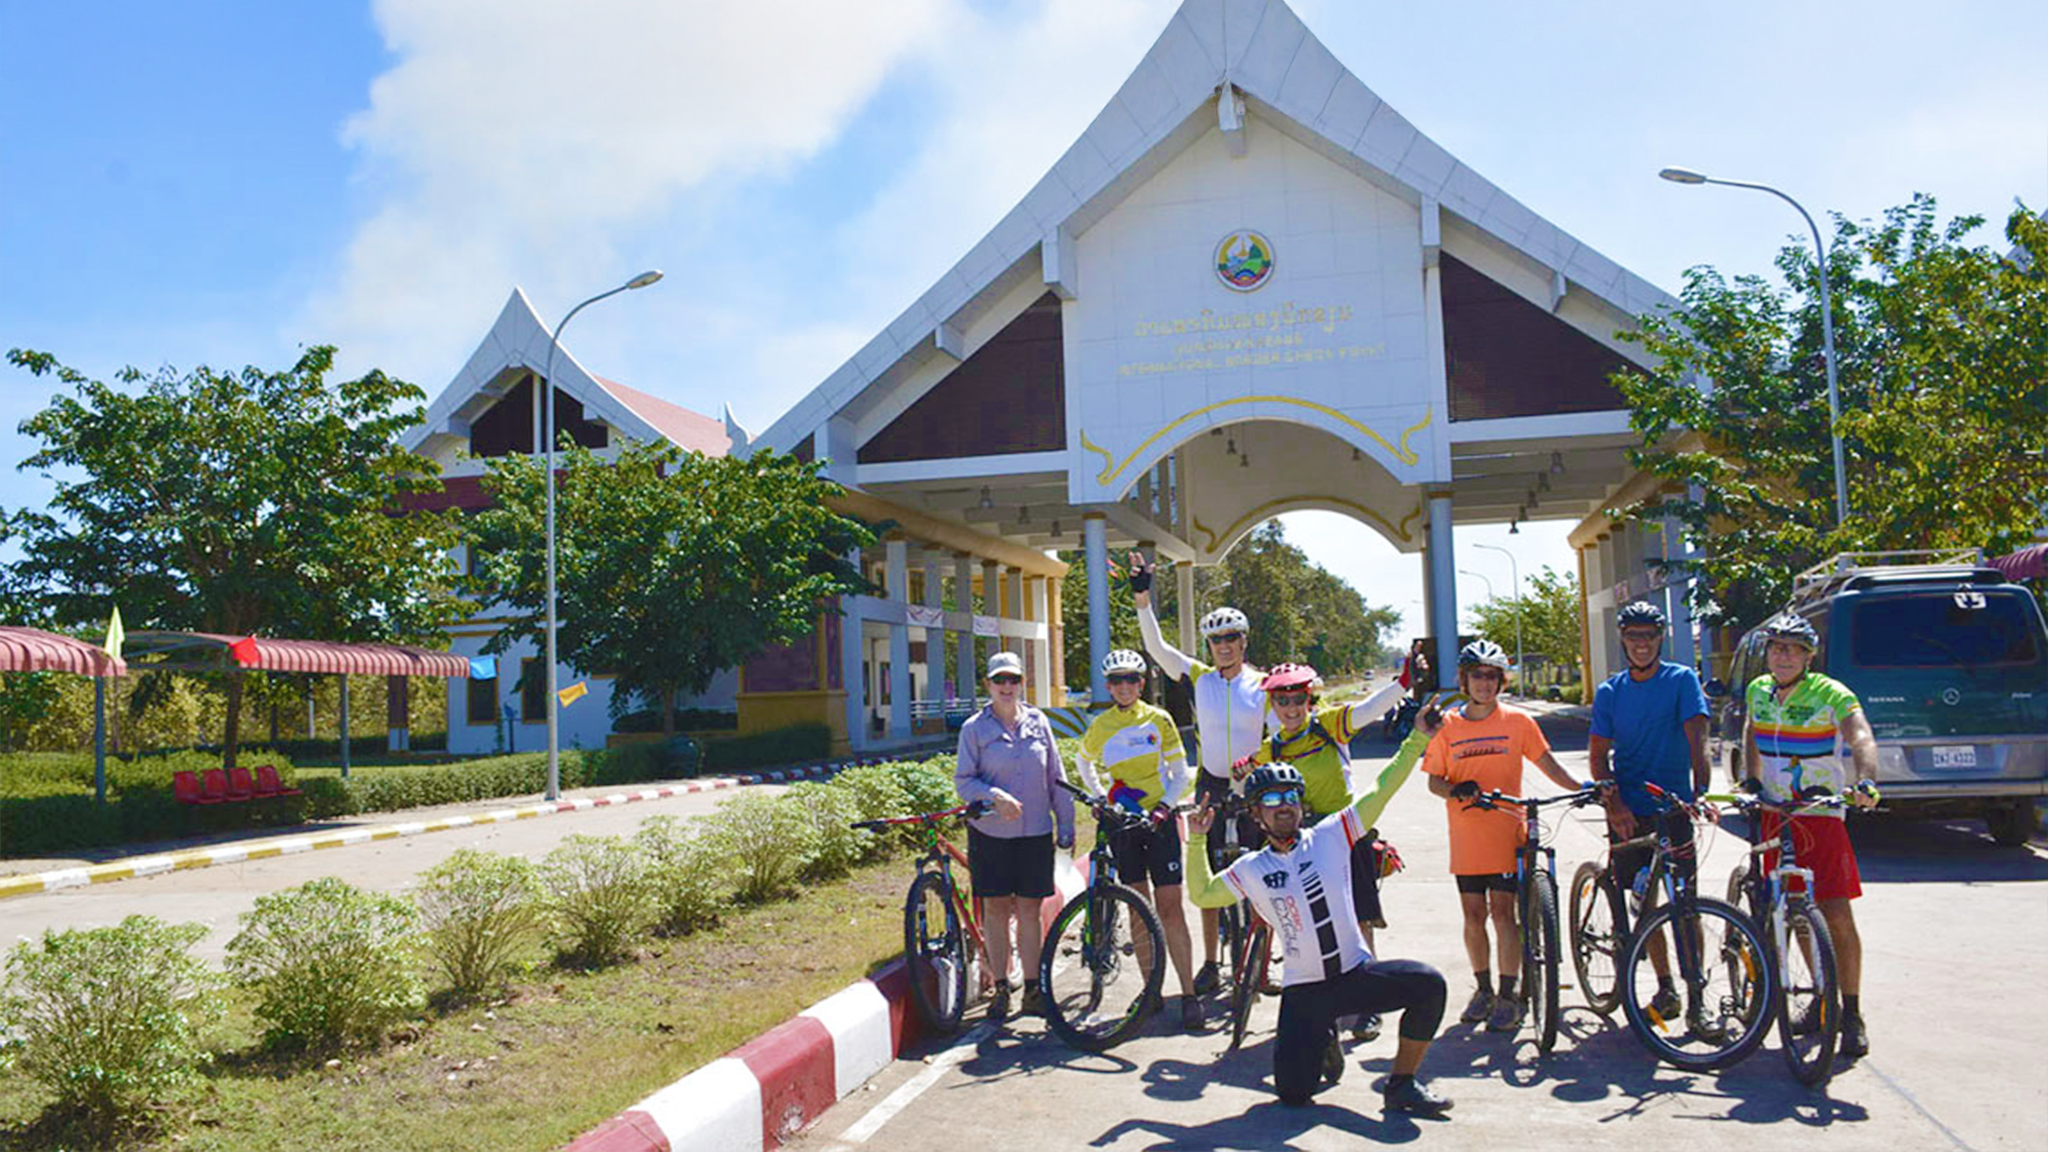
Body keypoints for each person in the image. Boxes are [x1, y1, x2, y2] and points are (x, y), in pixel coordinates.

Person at [1185, 725, 1454, 1115]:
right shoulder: (1253, 868)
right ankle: (1324, 1035)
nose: (1284, 805)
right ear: (1256, 815)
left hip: (1354, 976)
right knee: (1294, 1095)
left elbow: (1382, 788)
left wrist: (1416, 741)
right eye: (1272, 799)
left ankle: (1402, 1083)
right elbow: (1202, 894)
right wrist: (1196, 840)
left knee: (1430, 985)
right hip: (1305, 992)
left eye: (1291, 796)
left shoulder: (1332, 834)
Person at [1422, 639, 1589, 1033]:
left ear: (1500, 682)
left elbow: (1547, 764)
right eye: (1477, 676)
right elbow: (1434, 782)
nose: (1484, 684)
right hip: (1467, 835)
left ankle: (1508, 994)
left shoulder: (1518, 722)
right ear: (1464, 680)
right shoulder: (1448, 727)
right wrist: (1455, 790)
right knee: (1473, 915)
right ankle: (1481, 989)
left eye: (1492, 677)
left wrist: (1582, 787)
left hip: (1507, 833)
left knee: (1503, 914)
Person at [1234, 662, 1407, 1041]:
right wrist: (1240, 773)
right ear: (1273, 705)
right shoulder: (1272, 747)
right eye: (1283, 701)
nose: (1292, 709)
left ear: (1309, 700)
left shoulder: (1327, 725)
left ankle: (1368, 1007)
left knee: (1358, 919)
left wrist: (1403, 684)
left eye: (1298, 700)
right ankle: (1311, 998)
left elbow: (1367, 712)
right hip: (1294, 839)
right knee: (1297, 920)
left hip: (1342, 834)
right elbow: (1250, 780)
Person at [1127, 550, 1274, 995]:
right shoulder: (1198, 677)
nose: (1223, 645)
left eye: (1231, 637)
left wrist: (1259, 762)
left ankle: (1263, 965)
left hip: (1255, 787)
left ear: (1243, 641)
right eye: (1216, 640)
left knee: (1261, 879)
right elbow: (1156, 648)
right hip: (1210, 784)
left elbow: (1278, 735)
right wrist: (1142, 598)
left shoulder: (1263, 685)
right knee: (1208, 878)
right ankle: (1211, 962)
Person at [1741, 612, 1882, 1059]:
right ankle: (1822, 1000)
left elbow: (1861, 736)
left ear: (1807, 656)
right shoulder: (1758, 690)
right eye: (1775, 647)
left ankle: (1853, 1012)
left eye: (1792, 649)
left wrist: (1867, 780)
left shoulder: (1830, 692)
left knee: (1836, 914)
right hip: (1775, 814)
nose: (1782, 656)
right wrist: (1751, 777)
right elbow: (1751, 729)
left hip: (1818, 814)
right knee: (1794, 911)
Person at [1588, 600, 1711, 1024]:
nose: (1641, 643)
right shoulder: (1610, 692)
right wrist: (1614, 802)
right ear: (1622, 639)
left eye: (1649, 635)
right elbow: (1599, 758)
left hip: (1671, 806)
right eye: (1633, 635)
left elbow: (1697, 739)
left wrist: (1702, 791)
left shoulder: (1681, 681)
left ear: (1661, 638)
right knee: (1645, 903)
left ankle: (1698, 999)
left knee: (1686, 905)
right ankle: (1665, 987)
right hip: (1629, 812)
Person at [1075, 648, 1204, 1031]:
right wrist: (1101, 797)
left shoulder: (1158, 719)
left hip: (1159, 820)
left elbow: (1181, 771)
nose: (1124, 687)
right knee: (1137, 906)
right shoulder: (1101, 725)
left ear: (1142, 683)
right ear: (1109, 687)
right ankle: (1152, 993)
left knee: (1170, 907)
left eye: (1132, 679)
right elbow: (1084, 762)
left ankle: (1188, 993)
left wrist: (1165, 806)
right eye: (1116, 681)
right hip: (1123, 822)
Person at [955, 650, 1076, 1023]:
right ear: (988, 685)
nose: (1007, 687)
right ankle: (1002, 987)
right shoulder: (974, 729)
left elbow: (1055, 775)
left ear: (1022, 683)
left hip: (1035, 832)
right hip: (990, 834)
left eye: (1014, 680)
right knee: (995, 908)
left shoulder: (1039, 722)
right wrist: (993, 795)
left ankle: (1033, 987)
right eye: (999, 680)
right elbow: (963, 782)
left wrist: (1067, 824)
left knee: (1028, 909)